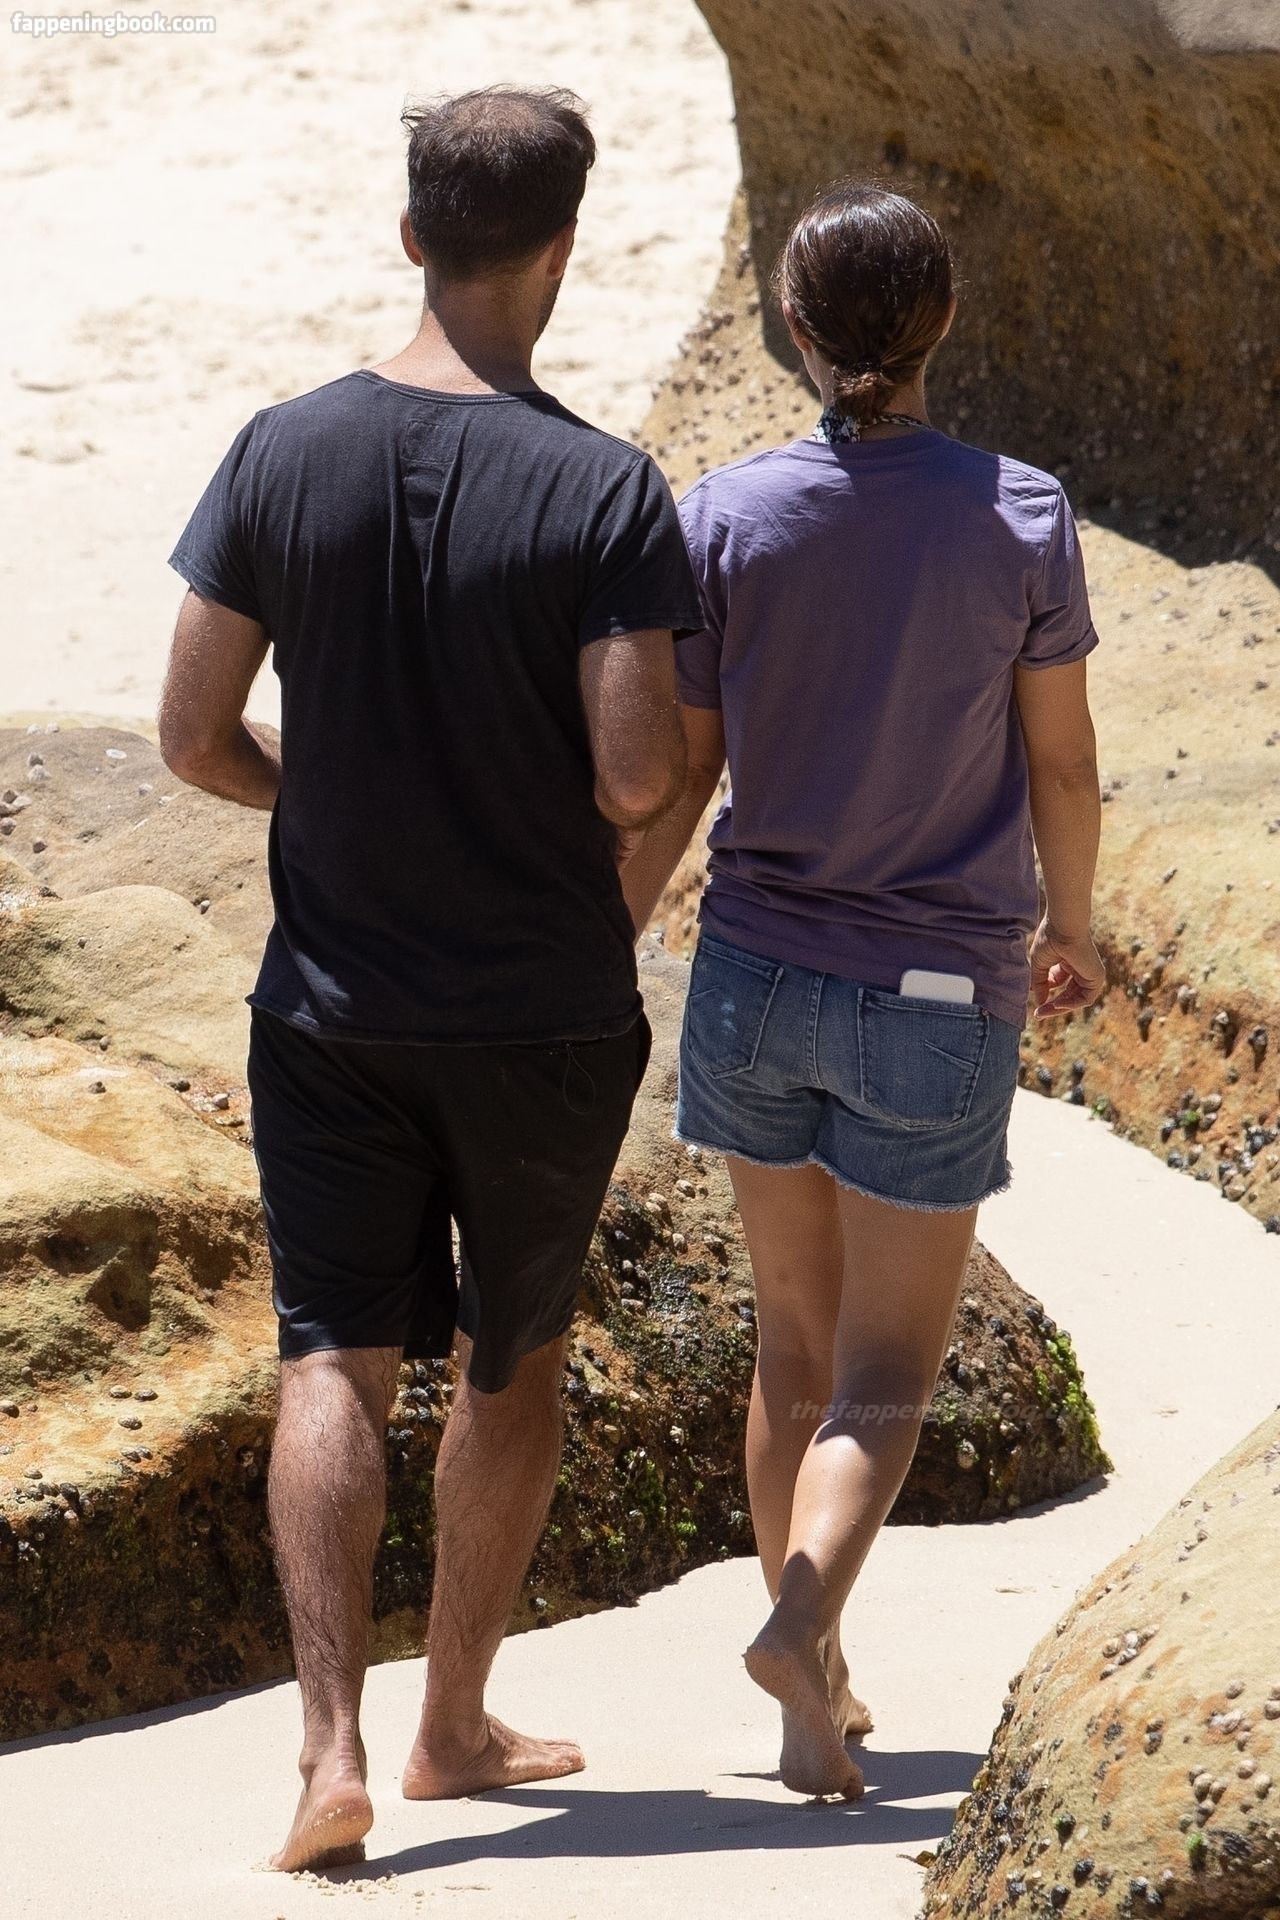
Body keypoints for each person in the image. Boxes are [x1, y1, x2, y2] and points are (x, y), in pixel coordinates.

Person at [159, 87, 703, 1872]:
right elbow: (637, 776)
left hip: (329, 1006)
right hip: (541, 1011)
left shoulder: (279, 450)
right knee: (509, 1366)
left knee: (330, 1355)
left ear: (412, 236)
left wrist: (329, 787)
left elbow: (191, 733)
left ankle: (329, 1749)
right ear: (563, 254)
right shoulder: (604, 486)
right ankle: (452, 1721)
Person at [620, 182, 1104, 1799]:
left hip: (755, 972)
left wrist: (611, 932)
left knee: (793, 1355)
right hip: (936, 988)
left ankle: (807, 1699)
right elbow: (1062, 759)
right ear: (945, 319)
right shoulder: (1018, 513)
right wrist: (1076, 924)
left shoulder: (725, 516)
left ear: (793, 330)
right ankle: (805, 1621)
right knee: (888, 1374)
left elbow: (681, 772)